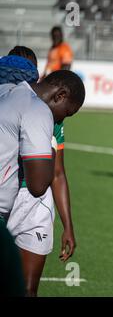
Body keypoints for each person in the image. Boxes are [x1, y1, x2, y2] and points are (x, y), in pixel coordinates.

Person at [0, 70, 85, 296]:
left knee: (28, 289)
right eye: (67, 113)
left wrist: (68, 225)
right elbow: (41, 182)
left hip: (36, 208)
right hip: (9, 200)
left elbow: (57, 174)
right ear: (60, 96)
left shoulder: (49, 118)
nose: (62, 120)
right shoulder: (30, 108)